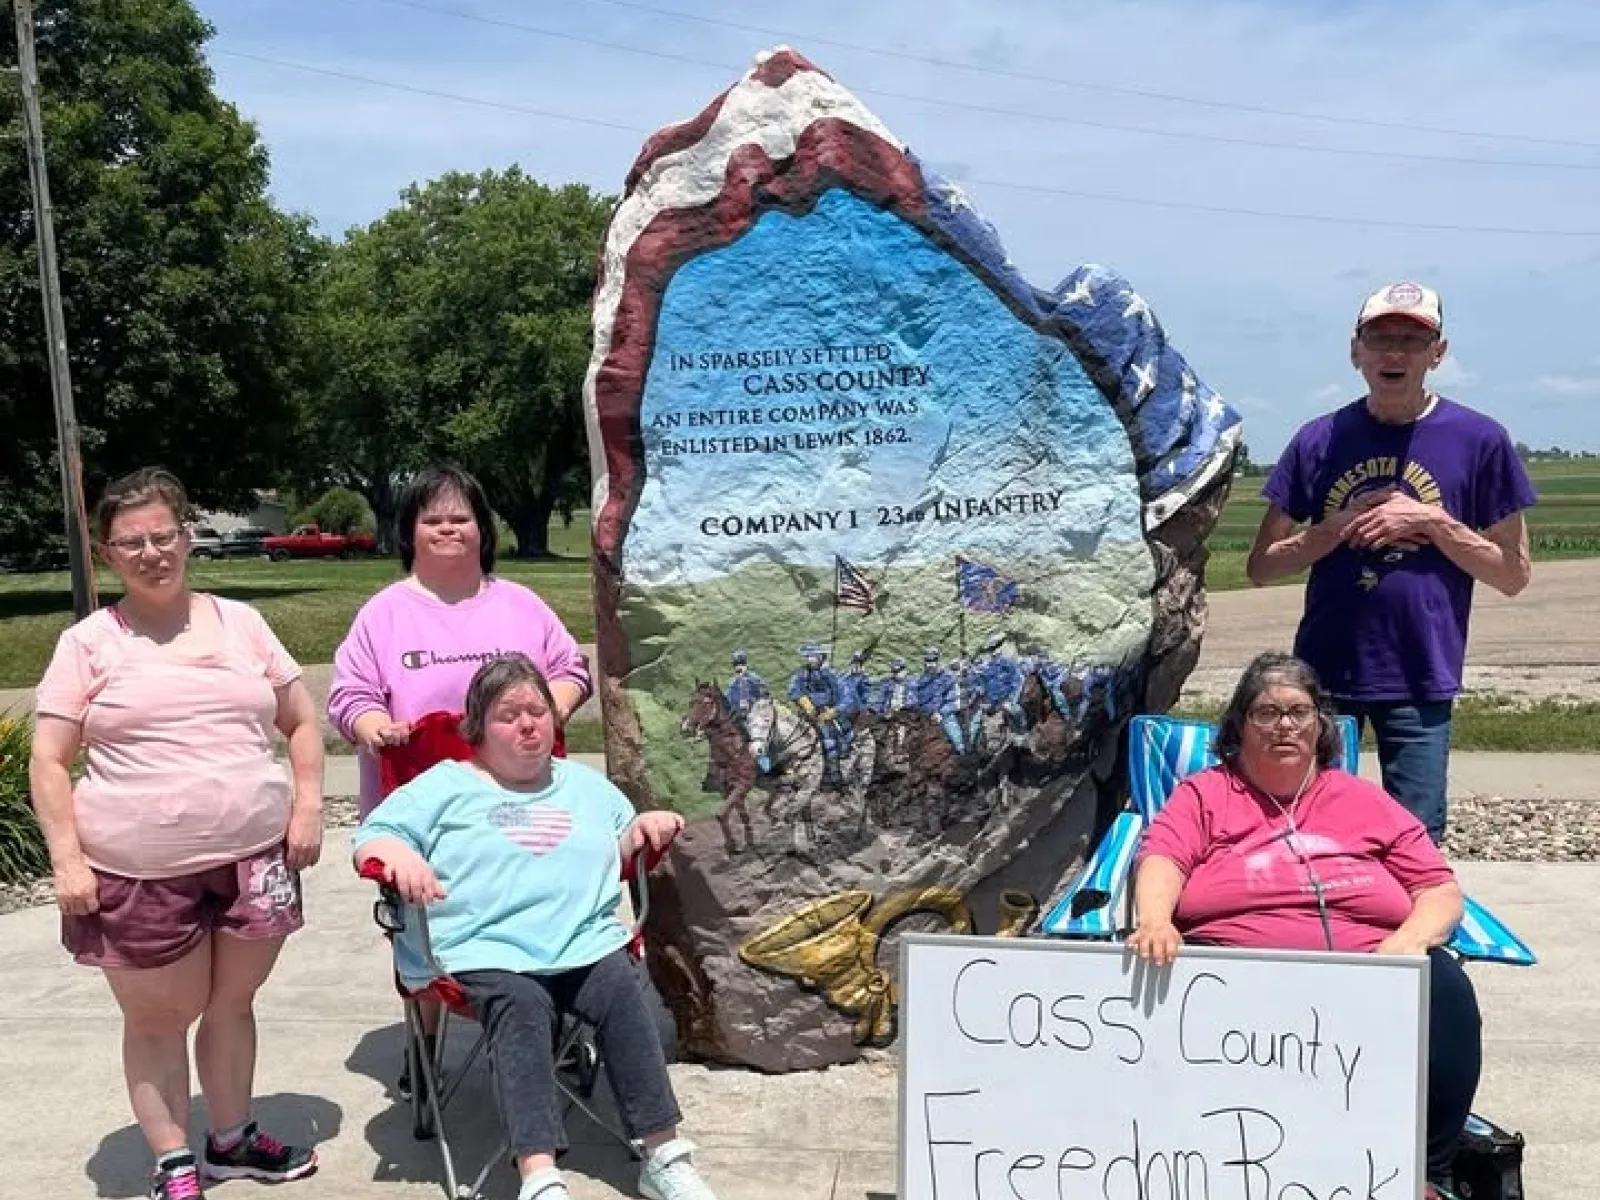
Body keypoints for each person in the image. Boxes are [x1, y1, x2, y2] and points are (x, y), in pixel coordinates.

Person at [28, 468, 324, 1200]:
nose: (153, 552)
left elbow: (301, 720)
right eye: (133, 542)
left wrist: (309, 803)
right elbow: (47, 759)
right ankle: (174, 1163)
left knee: (233, 1002)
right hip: (136, 871)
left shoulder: (243, 623)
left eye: (164, 535)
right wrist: (67, 858)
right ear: (106, 552)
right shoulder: (88, 642)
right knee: (160, 1017)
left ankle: (231, 1140)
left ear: (187, 535)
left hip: (256, 858)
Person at [352, 655, 718, 1200]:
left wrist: (641, 828)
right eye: (509, 715)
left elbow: (616, 853)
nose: (528, 724)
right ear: (476, 730)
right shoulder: (442, 787)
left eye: (538, 711)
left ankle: (663, 1153)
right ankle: (539, 1174)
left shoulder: (584, 787)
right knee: (521, 1004)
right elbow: (372, 837)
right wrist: (399, 857)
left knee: (622, 988)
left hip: (580, 945)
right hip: (483, 951)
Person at [1127, 652, 1479, 1199]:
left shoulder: (1364, 800)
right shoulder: (1206, 794)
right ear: (1239, 726)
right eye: (1266, 712)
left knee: (1447, 990)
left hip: (1372, 960)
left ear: (1321, 726)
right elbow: (1162, 859)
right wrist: (1154, 920)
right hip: (1233, 962)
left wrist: (1408, 942)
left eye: (1299, 711)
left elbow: (1438, 888)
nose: (1285, 725)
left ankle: (1425, 1172)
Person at [328, 464, 592, 1091]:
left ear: (483, 528)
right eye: (432, 518)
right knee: (423, 920)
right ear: (409, 532)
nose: (448, 528)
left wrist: (540, 711)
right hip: (423, 807)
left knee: (540, 903)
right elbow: (350, 696)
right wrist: (374, 728)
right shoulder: (384, 614)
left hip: (522, 801)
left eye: (461, 517)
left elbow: (570, 669)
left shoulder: (520, 605)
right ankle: (422, 1045)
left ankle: (554, 1018)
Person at [1247, 282, 1535, 843]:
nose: (1394, 354)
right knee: (1312, 830)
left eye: (1411, 339)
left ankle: (1414, 932)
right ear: (1356, 351)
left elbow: (1512, 573)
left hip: (1421, 673)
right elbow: (1261, 566)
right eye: (1380, 339)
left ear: (1438, 353)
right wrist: (1333, 528)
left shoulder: (1480, 440)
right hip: (1323, 678)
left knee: (1416, 837)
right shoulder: (1318, 440)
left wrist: (1429, 521)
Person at [786, 642, 847, 790]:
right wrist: (804, 702)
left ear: (821, 657)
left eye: (813, 656)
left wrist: (833, 711)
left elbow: (845, 698)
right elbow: (793, 690)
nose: (810, 659)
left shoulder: (830, 675)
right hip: (806, 714)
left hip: (825, 714)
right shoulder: (801, 674)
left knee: (829, 743)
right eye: (808, 656)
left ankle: (834, 778)